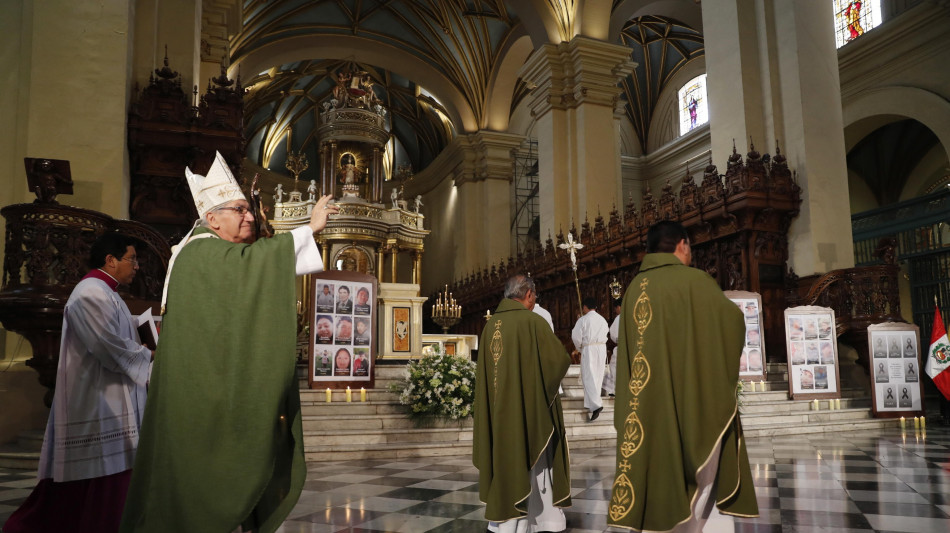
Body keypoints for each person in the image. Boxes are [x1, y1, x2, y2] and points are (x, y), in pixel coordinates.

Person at [119, 151, 338, 533]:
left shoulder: (208, 251)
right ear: (211, 218)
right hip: (201, 395)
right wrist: (310, 229)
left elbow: (253, 265)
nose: (249, 215)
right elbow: (254, 266)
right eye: (240, 209)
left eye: (248, 209)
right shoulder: (201, 253)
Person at [608, 221, 757, 531]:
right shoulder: (695, 281)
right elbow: (732, 325)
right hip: (687, 401)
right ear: (681, 245)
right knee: (699, 483)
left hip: (645, 405)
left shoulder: (635, 288)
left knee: (655, 478)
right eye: (690, 248)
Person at [4, 233, 153, 533]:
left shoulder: (107, 292)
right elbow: (106, 345)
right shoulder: (91, 293)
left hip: (110, 394)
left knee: (109, 473)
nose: (136, 266)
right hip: (96, 399)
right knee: (99, 475)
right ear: (110, 260)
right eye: (132, 259)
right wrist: (149, 355)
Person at [474, 274, 572, 533]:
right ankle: (541, 521)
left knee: (503, 460)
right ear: (528, 294)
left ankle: (502, 523)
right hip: (526, 412)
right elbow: (559, 361)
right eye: (535, 296)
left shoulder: (490, 325)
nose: (534, 300)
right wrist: (539, 391)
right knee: (533, 461)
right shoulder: (532, 322)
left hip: (497, 412)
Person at [571, 296, 609, 421]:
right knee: (597, 376)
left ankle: (596, 405)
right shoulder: (602, 319)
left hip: (589, 348)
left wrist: (580, 348)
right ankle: (592, 405)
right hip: (601, 348)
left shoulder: (583, 319)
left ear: (585, 307)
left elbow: (576, 336)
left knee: (589, 377)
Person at [603, 298, 622, 397]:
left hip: (621, 346)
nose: (615, 311)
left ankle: (615, 390)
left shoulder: (620, 317)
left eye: (616, 308)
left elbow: (613, 334)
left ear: (619, 307)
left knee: (614, 367)